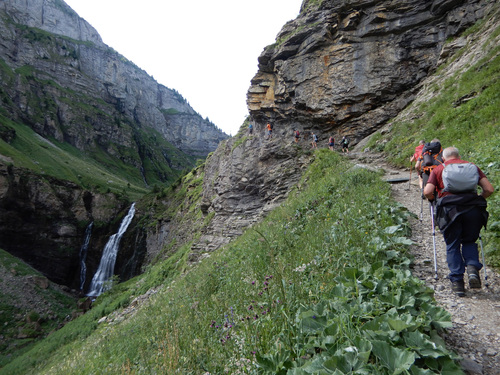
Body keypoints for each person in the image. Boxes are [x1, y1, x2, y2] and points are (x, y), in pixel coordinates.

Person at [423, 147, 494, 297]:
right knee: (469, 241)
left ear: (443, 158)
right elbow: (489, 189)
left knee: (453, 244)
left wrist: (434, 200)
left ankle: (458, 284)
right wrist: (478, 198)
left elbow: (428, 191)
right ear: (459, 156)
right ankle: (473, 268)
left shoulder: (439, 169)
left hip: (450, 212)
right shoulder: (472, 167)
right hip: (473, 210)